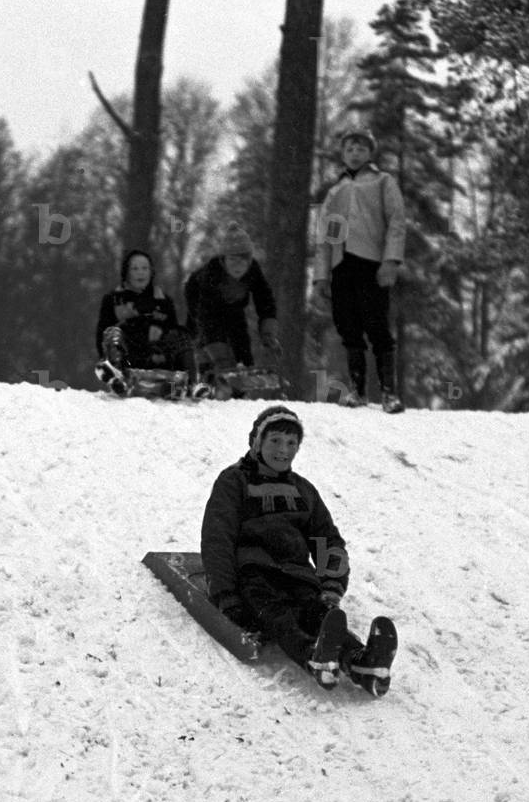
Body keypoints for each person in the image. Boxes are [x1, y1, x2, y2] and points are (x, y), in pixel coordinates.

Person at [200, 405, 397, 696]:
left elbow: (327, 539)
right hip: (252, 575)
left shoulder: (303, 490)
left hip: (296, 574)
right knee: (279, 617)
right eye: (275, 441)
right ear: (257, 442)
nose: (284, 449)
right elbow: (218, 538)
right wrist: (225, 594)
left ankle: (362, 662)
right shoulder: (234, 481)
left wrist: (331, 584)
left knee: (318, 613)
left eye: (292, 443)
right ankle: (313, 656)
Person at [313, 128, 406, 413]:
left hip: (371, 263)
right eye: (350, 149)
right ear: (343, 154)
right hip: (342, 265)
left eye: (361, 149)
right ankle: (357, 390)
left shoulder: (382, 182)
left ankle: (389, 392)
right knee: (348, 326)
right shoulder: (335, 191)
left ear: (370, 153)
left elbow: (396, 221)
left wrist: (390, 260)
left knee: (376, 324)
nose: (355, 154)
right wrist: (321, 276)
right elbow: (325, 238)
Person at [94, 249, 204, 397]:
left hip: (158, 357)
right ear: (126, 272)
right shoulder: (113, 299)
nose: (141, 273)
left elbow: (173, 333)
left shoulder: (163, 300)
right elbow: (102, 332)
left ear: (151, 272)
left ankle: (191, 383)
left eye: (145, 268)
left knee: (181, 335)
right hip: (129, 357)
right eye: (135, 268)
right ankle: (116, 376)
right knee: (112, 333)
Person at [184, 225, 281, 372]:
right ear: (223, 261)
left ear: (249, 261)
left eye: (243, 260)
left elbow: (265, 301)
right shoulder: (211, 275)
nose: (238, 266)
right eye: (233, 260)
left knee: (242, 349)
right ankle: (204, 371)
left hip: (234, 309)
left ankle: (241, 381)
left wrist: (268, 335)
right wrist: (216, 350)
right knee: (215, 350)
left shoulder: (253, 272)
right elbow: (205, 317)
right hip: (202, 305)